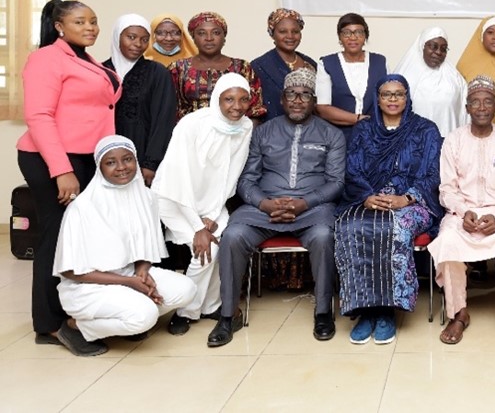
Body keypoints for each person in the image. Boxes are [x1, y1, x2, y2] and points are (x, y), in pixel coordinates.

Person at [209, 69, 345, 347]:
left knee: (323, 237)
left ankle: (323, 312)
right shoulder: (262, 133)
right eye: (291, 95)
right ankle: (228, 314)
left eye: (305, 95)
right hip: (264, 206)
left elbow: (336, 182)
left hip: (312, 207)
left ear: (313, 100)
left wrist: (304, 203)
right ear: (282, 100)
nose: (297, 100)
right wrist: (264, 203)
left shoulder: (331, 134)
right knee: (232, 237)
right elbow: (246, 179)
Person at [17, 0, 121, 350]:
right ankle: (48, 324)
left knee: (76, 239)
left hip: (84, 156)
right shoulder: (46, 58)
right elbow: (39, 116)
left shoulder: (84, 58)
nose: (90, 27)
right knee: (56, 238)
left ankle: (72, 313)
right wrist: (61, 170)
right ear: (59, 26)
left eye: (94, 21)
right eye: (80, 21)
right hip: (53, 158)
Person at [52, 136, 197, 356]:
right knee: (144, 316)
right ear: (100, 167)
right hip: (87, 288)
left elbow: (146, 245)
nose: (121, 167)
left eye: (127, 159)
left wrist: (141, 271)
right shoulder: (82, 208)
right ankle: (76, 328)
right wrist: (129, 282)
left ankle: (126, 317)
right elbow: (71, 271)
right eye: (111, 162)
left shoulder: (145, 197)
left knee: (187, 289)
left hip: (128, 275)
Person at [334, 75, 442, 345]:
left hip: (412, 204)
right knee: (350, 227)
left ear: (407, 97)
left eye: (399, 94)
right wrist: (367, 197)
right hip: (369, 200)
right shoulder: (364, 130)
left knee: (394, 228)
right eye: (386, 94)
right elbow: (352, 169)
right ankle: (364, 311)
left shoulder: (425, 130)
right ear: (377, 98)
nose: (393, 100)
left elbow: (434, 173)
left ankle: (387, 312)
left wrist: (407, 198)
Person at [428, 76, 495, 347]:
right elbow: (446, 189)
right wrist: (464, 213)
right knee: (448, 241)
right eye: (476, 102)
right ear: (467, 107)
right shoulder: (453, 140)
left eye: (488, 102)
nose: (482, 107)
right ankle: (458, 313)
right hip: (461, 213)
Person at [152, 73, 253, 335]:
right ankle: (186, 310)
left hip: (212, 204)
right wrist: (198, 225)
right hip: (174, 200)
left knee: (220, 247)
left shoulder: (245, 127)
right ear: (216, 99)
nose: (237, 106)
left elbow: (230, 175)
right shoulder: (192, 124)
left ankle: (208, 306)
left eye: (244, 99)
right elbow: (180, 178)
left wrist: (211, 214)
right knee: (204, 251)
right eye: (229, 99)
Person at [102, 14, 176, 187]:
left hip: (142, 155)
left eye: (144, 39)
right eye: (131, 37)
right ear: (117, 37)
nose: (138, 44)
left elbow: (163, 121)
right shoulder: (100, 71)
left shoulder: (158, 73)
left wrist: (151, 163)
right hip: (103, 155)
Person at [168, 11, 266, 121]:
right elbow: (169, 109)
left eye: (216, 33)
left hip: (235, 133)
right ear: (193, 37)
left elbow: (255, 110)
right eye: (201, 33)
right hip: (191, 133)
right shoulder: (178, 68)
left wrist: (245, 136)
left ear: (224, 37)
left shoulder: (242, 68)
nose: (209, 38)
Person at [316, 12, 387, 142]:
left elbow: (385, 98)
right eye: (347, 33)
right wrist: (360, 119)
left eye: (358, 32)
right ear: (340, 37)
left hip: (374, 137)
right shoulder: (327, 63)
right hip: (337, 137)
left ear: (365, 36)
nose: (353, 37)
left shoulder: (379, 61)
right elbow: (323, 108)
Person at [394, 26, 467, 137]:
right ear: (422, 46)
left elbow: (464, 115)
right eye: (433, 46)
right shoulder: (405, 76)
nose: (438, 52)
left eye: (443, 49)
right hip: (413, 145)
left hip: (447, 144)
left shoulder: (455, 79)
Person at [251, 8, 317, 121]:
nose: (290, 36)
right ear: (272, 34)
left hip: (309, 132)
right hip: (272, 133)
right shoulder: (258, 66)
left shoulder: (310, 64)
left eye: (295, 31)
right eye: (283, 31)